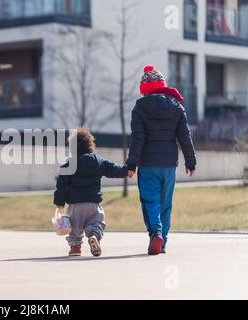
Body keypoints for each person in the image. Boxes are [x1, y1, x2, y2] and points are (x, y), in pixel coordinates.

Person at [126, 65, 197, 255]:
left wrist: (131, 164)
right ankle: (162, 241)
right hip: (169, 165)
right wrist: (190, 162)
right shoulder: (177, 107)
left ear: (144, 90)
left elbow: (137, 138)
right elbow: (185, 137)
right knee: (166, 203)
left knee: (150, 201)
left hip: (148, 164)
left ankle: (155, 232)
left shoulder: (139, 108)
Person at [54, 128, 129, 257]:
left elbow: (61, 186)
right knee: (96, 223)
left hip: (75, 206)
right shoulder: (98, 161)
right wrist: (127, 171)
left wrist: (59, 202)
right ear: (90, 145)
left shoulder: (68, 166)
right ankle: (94, 236)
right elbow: (113, 169)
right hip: (93, 204)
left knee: (75, 229)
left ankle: (75, 248)